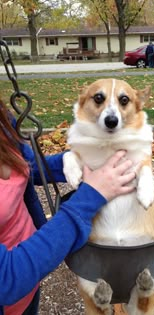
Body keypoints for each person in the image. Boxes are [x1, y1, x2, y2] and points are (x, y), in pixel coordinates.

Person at [0, 98, 136, 315]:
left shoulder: (2, 120)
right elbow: (6, 279)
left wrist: (70, 162)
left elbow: (24, 167)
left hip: (32, 276)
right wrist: (89, 197)